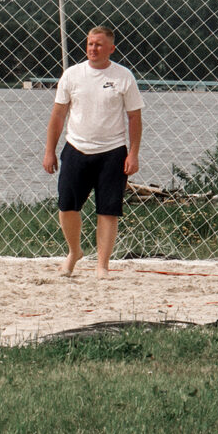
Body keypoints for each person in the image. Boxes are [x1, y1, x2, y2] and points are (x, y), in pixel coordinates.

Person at [43, 25, 143, 277]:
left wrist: (133, 153)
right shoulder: (72, 75)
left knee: (108, 210)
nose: (93, 48)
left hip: (112, 151)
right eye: (89, 43)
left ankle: (102, 265)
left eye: (98, 44)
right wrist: (49, 151)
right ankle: (74, 252)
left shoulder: (123, 77)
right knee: (67, 205)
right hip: (76, 148)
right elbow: (58, 115)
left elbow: (134, 117)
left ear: (111, 48)